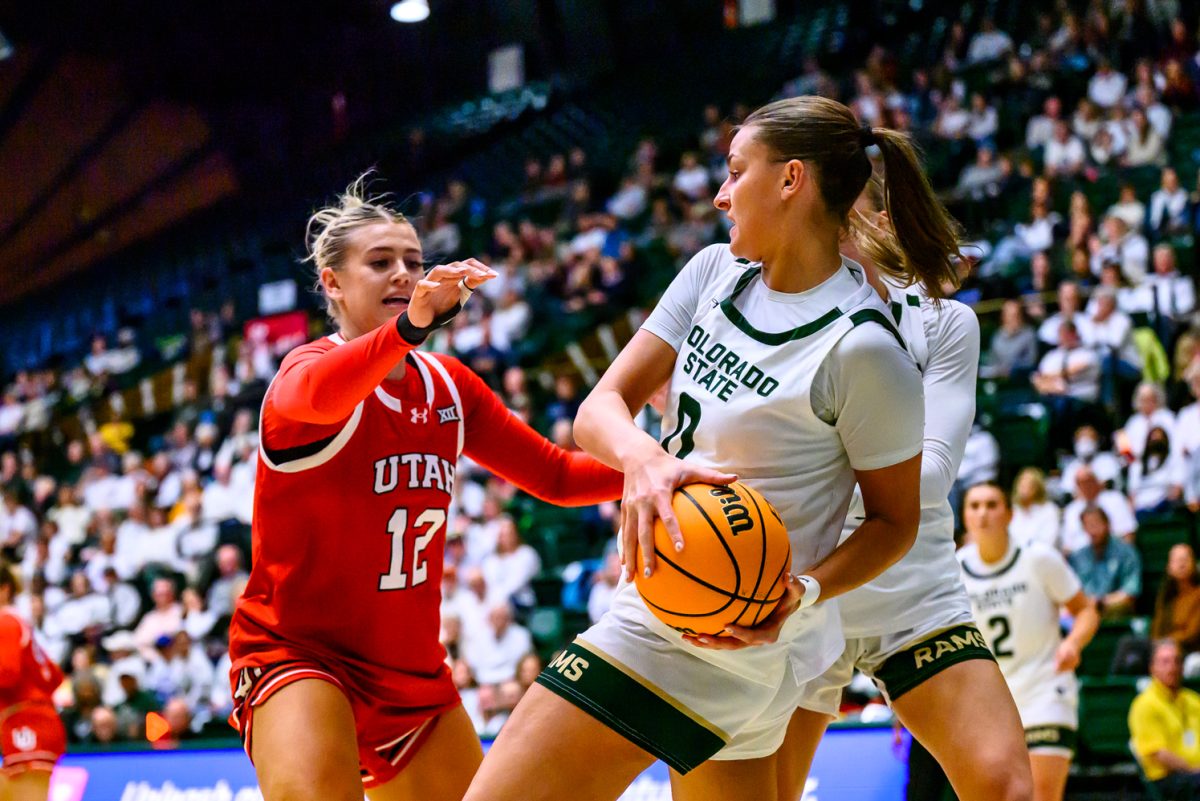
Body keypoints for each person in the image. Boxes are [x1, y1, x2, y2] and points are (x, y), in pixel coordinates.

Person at [467, 96, 955, 801]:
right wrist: (645, 459)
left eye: (735, 171)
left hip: (711, 633)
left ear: (791, 180)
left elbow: (894, 523)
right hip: (695, 619)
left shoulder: (866, 349)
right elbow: (597, 410)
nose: (721, 194)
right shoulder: (710, 273)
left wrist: (803, 591)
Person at [227, 178, 624, 801]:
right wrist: (408, 330)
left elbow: (556, 475)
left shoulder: (449, 386)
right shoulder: (301, 374)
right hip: (297, 654)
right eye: (380, 263)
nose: (404, 276)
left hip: (410, 673)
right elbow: (325, 393)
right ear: (332, 282)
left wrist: (664, 464)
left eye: (414, 262)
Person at [776, 178, 1032, 801]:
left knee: (1007, 788)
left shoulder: (945, 323)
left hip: (909, 586)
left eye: (842, 211)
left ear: (881, 223)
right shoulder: (768, 314)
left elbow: (936, 473)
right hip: (797, 591)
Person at [957, 482, 1098, 801]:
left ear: (1009, 514)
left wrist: (1073, 643)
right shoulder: (955, 570)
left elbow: (1086, 610)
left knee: (1042, 795)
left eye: (992, 504)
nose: (983, 514)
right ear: (964, 517)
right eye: (974, 506)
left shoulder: (1038, 558)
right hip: (990, 700)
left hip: (1044, 688)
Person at [0, 563, 66, 801]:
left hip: (27, 723)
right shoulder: (18, 623)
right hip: (32, 719)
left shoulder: (5, 621)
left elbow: (6, 675)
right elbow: (54, 676)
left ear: (4, 589)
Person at [1129, 640, 1200, 798]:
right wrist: (1193, 769)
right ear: (1152, 667)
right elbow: (1158, 754)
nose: (1172, 667)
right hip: (1166, 778)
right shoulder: (1145, 704)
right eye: (1165, 662)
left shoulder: (1194, 700)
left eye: (1176, 661)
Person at [1067, 506, 1142, 618]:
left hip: (1115, 613)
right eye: (1087, 525)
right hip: (1084, 613)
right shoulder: (1078, 557)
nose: (1092, 529)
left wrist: (1100, 603)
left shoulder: (1126, 552)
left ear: (1107, 524)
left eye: (1096, 523)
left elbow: (1129, 594)